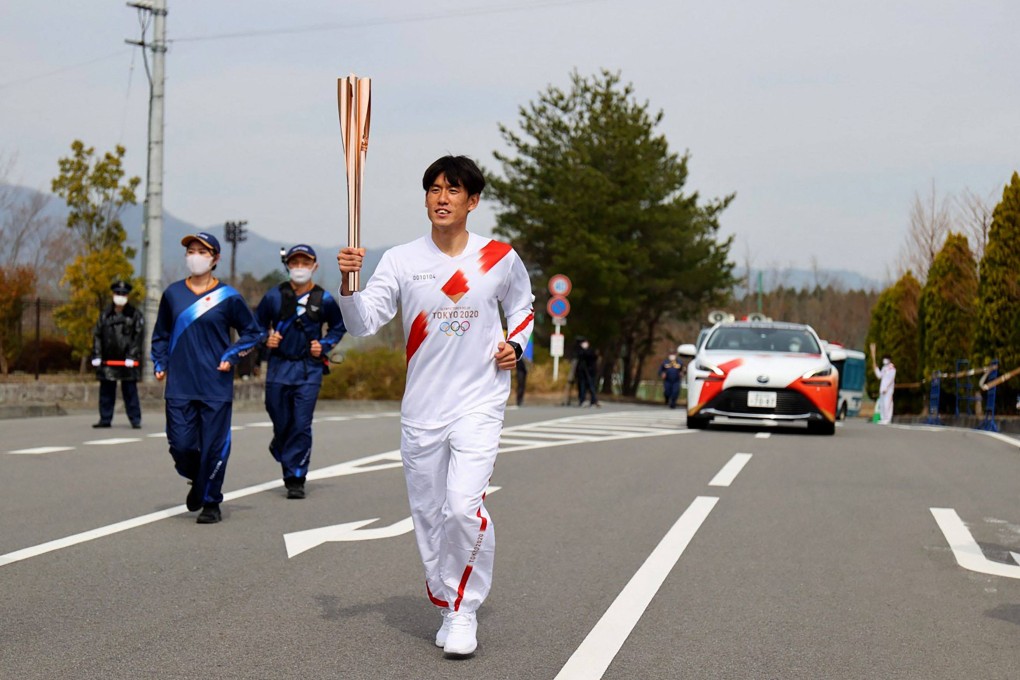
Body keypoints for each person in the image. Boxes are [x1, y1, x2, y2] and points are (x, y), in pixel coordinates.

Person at [336, 155, 534, 657]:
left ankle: (464, 610)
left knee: (464, 507)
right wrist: (348, 284)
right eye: (433, 189)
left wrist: (516, 344)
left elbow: (523, 307)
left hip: (479, 403)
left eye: (453, 190)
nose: (442, 198)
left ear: (473, 201)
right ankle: (447, 603)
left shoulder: (499, 258)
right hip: (422, 408)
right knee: (429, 516)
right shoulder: (402, 260)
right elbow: (363, 323)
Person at [150, 232, 263, 524]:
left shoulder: (228, 298)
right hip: (180, 385)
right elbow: (161, 334)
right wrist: (160, 361)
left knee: (214, 445)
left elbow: (253, 333)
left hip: (215, 384)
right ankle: (198, 480)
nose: (195, 256)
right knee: (181, 445)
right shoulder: (173, 294)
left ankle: (211, 501)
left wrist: (232, 355)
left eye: (202, 251)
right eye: (191, 250)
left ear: (215, 259)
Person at [255, 244, 346, 499]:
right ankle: (280, 441)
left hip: (309, 369)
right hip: (279, 367)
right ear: (288, 266)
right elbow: (256, 326)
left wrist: (324, 344)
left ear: (314, 266)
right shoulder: (274, 296)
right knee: (279, 416)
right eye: (294, 263)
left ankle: (295, 476)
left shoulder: (323, 299)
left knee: (301, 423)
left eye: (305, 263)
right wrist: (266, 339)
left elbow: (339, 326)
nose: (299, 268)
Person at [91, 280, 145, 428]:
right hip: (109, 361)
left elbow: (137, 337)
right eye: (118, 293)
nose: (120, 296)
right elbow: (97, 335)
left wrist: (132, 356)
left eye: (123, 294)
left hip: (127, 361)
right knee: (106, 392)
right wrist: (97, 354)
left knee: (130, 391)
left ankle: (135, 420)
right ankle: (105, 419)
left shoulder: (135, 315)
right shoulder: (105, 315)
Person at [575, 338, 599, 407]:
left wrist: (586, 351)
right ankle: (582, 400)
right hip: (582, 372)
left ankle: (593, 400)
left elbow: (593, 357)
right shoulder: (580, 351)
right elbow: (579, 356)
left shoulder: (591, 351)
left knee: (591, 386)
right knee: (582, 386)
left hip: (590, 371)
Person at [873, 353, 896, 424]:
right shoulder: (884, 368)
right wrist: (875, 368)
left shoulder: (892, 368)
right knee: (882, 404)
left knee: (887, 404)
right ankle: (883, 418)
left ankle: (887, 419)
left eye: (885, 359)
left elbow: (891, 379)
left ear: (889, 360)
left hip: (888, 390)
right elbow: (879, 376)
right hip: (882, 389)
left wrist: (886, 388)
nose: (884, 360)